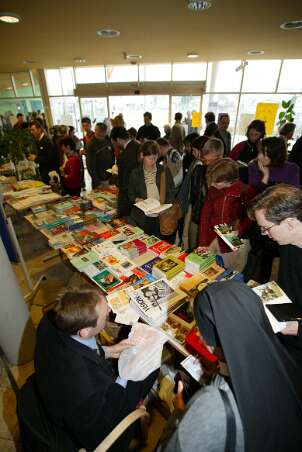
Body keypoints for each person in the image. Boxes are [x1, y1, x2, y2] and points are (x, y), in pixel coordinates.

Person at [164, 280, 302, 452]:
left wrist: (180, 413)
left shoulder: (210, 404)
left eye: (199, 327)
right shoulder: (287, 358)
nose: (197, 332)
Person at [34, 286, 158, 452]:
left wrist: (109, 350)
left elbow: (79, 349)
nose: (109, 310)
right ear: (84, 332)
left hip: (55, 385)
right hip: (98, 426)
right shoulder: (87, 383)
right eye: (104, 313)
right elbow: (105, 424)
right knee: (152, 369)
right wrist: (128, 371)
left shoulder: (49, 320)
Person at [248, 184, 302, 367]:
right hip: (285, 326)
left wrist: (299, 328)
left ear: (290, 223)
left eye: (266, 228)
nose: (265, 234)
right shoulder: (286, 240)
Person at [198, 158, 255, 271]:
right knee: (207, 267)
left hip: (233, 236)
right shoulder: (213, 190)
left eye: (216, 182)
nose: (212, 184)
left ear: (229, 181)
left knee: (229, 268)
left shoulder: (245, 192)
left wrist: (239, 229)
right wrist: (203, 242)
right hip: (213, 234)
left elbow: (251, 216)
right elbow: (205, 216)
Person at [128, 140, 175, 242]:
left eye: (156, 158)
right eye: (150, 158)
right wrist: (136, 199)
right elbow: (130, 194)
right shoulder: (135, 173)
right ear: (142, 156)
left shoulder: (164, 171)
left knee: (159, 243)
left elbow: (171, 191)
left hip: (160, 217)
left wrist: (166, 205)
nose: (153, 161)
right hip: (142, 218)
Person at [111, 127, 140, 217]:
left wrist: (115, 178)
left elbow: (123, 184)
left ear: (118, 139)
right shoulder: (139, 145)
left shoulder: (123, 157)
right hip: (141, 193)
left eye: (114, 143)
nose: (114, 146)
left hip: (128, 197)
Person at [85, 122, 114, 189]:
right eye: (98, 135)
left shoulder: (107, 139)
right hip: (99, 178)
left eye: (102, 136)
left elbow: (112, 157)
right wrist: (97, 181)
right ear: (95, 131)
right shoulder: (91, 145)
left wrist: (112, 173)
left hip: (109, 175)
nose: (100, 138)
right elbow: (90, 165)